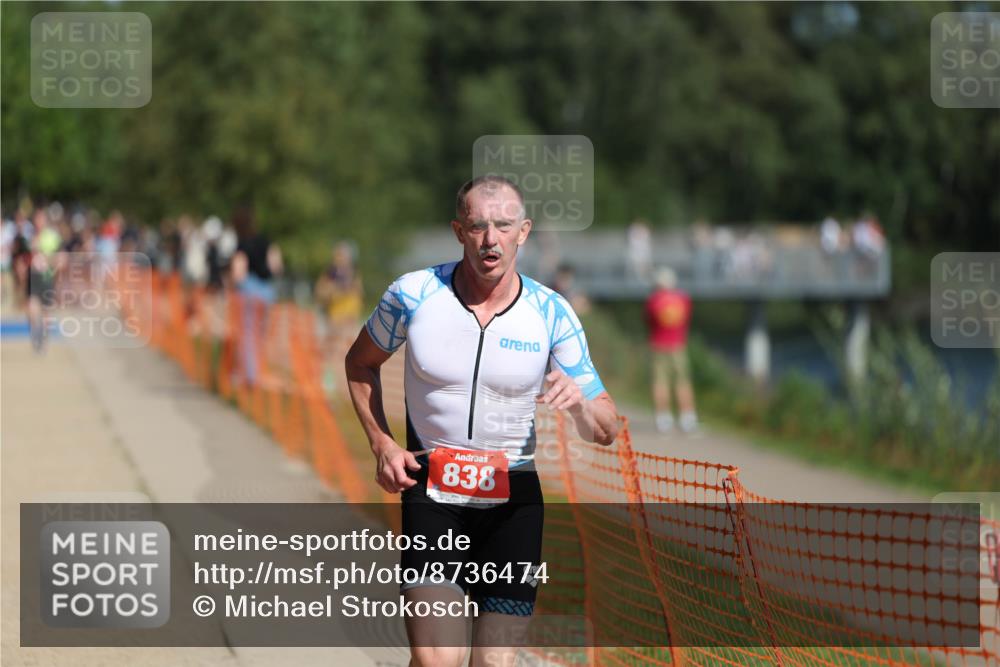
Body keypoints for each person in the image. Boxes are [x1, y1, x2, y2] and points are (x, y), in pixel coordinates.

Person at [344, 175, 619, 667]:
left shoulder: (552, 314)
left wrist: (578, 401)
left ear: (524, 231)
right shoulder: (412, 294)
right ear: (458, 230)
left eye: (503, 226)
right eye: (478, 226)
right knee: (438, 660)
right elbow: (359, 362)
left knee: (493, 663)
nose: (491, 239)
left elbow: (606, 428)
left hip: (513, 504)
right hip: (433, 494)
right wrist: (382, 444)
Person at [230, 205, 282, 386]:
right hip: (266, 292)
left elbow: (238, 272)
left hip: (248, 291)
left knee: (247, 333)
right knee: (261, 334)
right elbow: (276, 266)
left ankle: (250, 375)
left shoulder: (242, 244)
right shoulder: (266, 241)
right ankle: (260, 371)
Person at [645, 267, 698, 433]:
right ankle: (688, 417)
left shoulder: (653, 300)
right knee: (683, 381)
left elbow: (649, 321)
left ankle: (663, 419)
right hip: (678, 346)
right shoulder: (683, 299)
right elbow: (687, 319)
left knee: (660, 382)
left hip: (658, 345)